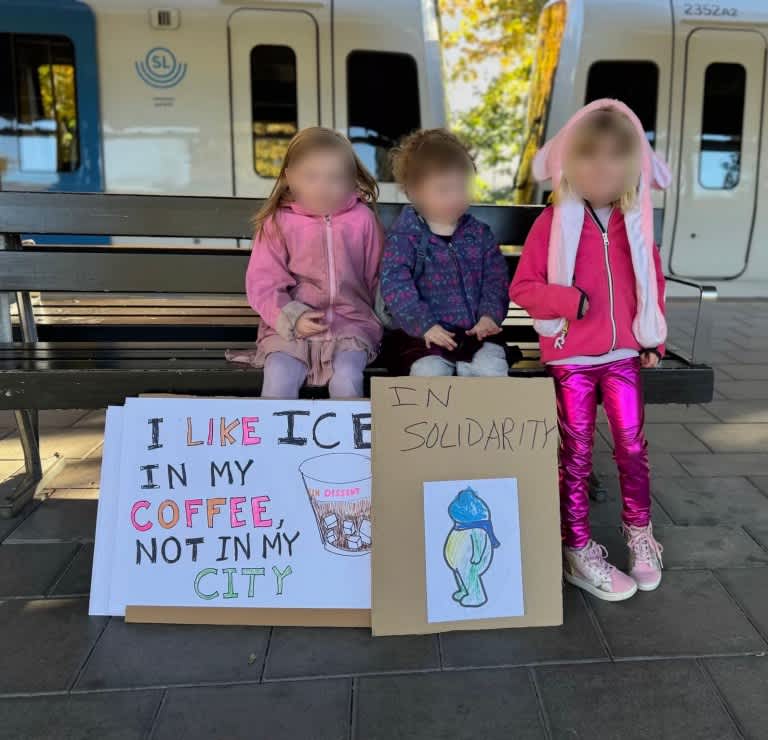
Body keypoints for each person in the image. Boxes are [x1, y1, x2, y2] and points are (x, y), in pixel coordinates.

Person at [510, 99, 670, 601]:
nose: (601, 168)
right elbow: (524, 286)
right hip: (572, 358)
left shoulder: (634, 225)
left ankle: (640, 534)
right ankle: (576, 548)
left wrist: (653, 338)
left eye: (615, 157)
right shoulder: (552, 224)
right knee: (576, 454)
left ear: (633, 167)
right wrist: (566, 300)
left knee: (633, 448)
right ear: (567, 164)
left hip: (623, 354)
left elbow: (653, 282)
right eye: (588, 156)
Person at [226, 127, 383, 399]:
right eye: (311, 177)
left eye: (335, 178)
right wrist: (292, 317)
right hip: (290, 330)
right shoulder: (277, 222)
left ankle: (346, 441)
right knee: (279, 378)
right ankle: (274, 440)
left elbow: (379, 278)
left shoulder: (363, 220)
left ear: (351, 180)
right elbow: (264, 284)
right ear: (290, 177)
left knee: (346, 379)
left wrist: (387, 321)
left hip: (350, 328)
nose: (322, 187)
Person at [379, 129, 510, 377]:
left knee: (492, 368)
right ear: (413, 191)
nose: (455, 197)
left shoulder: (479, 235)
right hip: (424, 339)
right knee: (427, 373)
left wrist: (489, 316)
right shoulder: (406, 237)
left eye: (462, 187)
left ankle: (485, 417)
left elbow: (496, 279)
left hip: (475, 335)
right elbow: (395, 285)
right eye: (443, 189)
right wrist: (424, 325)